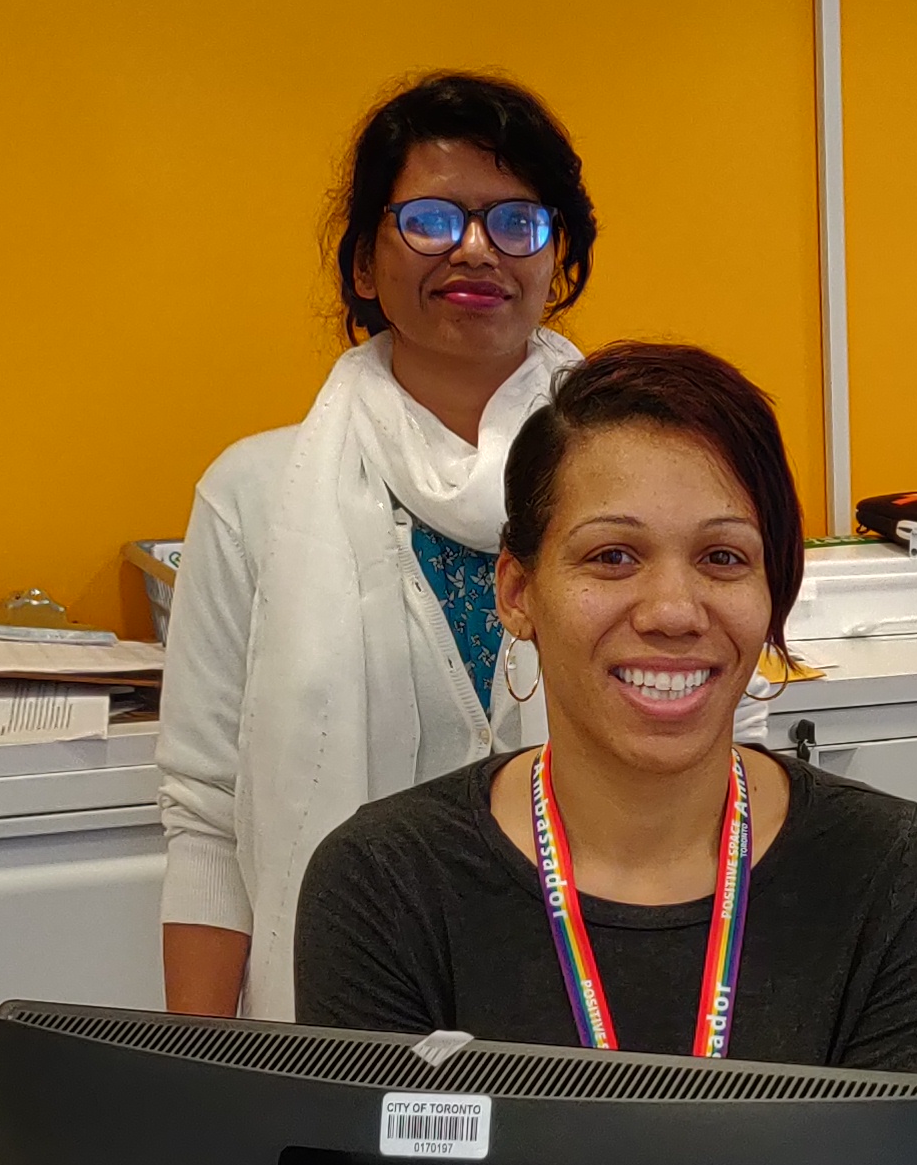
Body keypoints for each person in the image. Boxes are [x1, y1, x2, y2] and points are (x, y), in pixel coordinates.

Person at [297, 343, 917, 1074]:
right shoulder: (386, 884)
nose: (674, 612)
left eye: (723, 557)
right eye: (613, 556)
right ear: (518, 593)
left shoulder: (892, 873)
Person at [158, 72, 597, 1021]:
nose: (475, 248)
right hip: (348, 995)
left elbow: (726, 755)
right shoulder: (255, 495)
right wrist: (204, 1079)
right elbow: (207, 815)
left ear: (556, 261)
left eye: (518, 221)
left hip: (594, 998)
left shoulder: (632, 479)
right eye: (432, 219)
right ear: (364, 264)